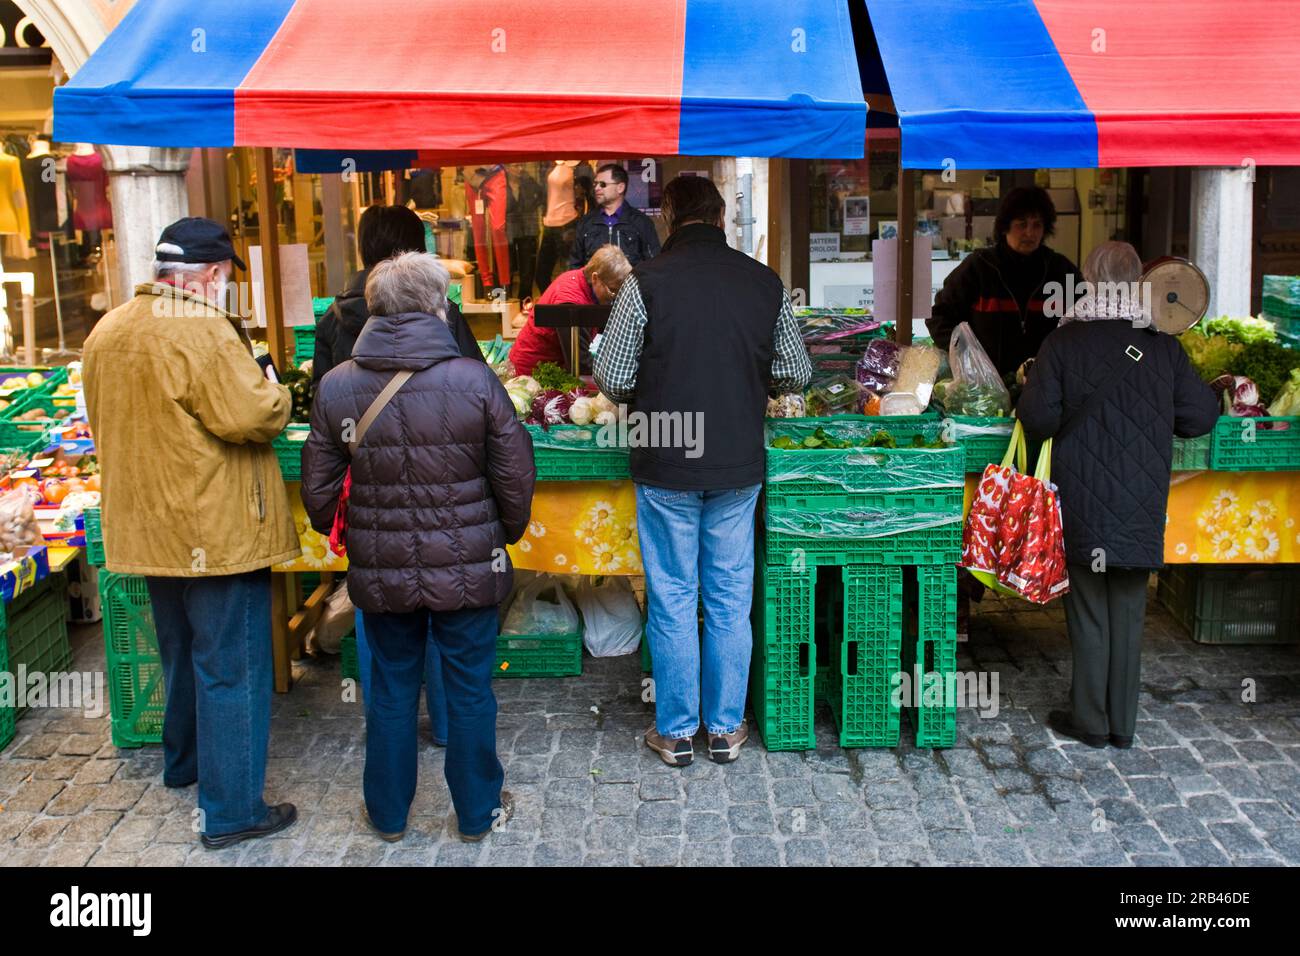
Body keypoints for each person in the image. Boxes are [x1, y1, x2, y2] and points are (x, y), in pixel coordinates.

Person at [82, 217, 301, 849]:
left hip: (147, 526)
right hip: (215, 530)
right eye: (227, 276)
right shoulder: (203, 329)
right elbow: (253, 417)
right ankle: (232, 811)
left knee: (179, 651)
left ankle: (184, 765)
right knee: (230, 666)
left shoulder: (108, 329)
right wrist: (272, 387)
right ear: (210, 275)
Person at [302, 252, 535, 841]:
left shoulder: (336, 386)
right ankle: (478, 812)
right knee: (469, 690)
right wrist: (499, 535)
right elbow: (514, 475)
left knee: (391, 689)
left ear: (374, 309)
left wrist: (359, 538)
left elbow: (318, 490)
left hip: (382, 573)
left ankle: (387, 813)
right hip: (468, 566)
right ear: (439, 307)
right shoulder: (473, 379)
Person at [594, 175, 812, 767]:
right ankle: (724, 729)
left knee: (671, 596)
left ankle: (676, 733)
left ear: (668, 219)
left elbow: (613, 379)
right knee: (727, 595)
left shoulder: (644, 284)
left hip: (665, 460)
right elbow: (796, 374)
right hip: (737, 462)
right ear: (721, 219)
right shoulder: (764, 283)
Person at [1017, 241, 1218, 750]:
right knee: (1129, 609)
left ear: (1087, 278)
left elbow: (1037, 418)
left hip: (1082, 494)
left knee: (1087, 607)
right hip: (1141, 500)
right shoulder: (1163, 345)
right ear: (1139, 282)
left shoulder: (1063, 343)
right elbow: (1199, 418)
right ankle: (1121, 724)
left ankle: (1089, 718)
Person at [314, 203, 486, 746]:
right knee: (443, 606)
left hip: (370, 501)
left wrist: (333, 518)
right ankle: (448, 728)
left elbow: (322, 423)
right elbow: (484, 400)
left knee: (381, 616)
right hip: (447, 496)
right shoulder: (444, 316)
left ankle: (388, 746)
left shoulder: (335, 319)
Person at [312, 204, 481, 383]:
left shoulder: (333, 319)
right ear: (417, 250)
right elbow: (478, 384)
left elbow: (321, 397)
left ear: (363, 249)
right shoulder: (442, 312)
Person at [928, 186, 1082, 378]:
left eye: (1037, 225)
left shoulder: (1060, 270)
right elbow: (940, 316)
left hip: (1046, 384)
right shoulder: (979, 268)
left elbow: (1084, 324)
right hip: (986, 388)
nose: (1030, 233)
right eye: (1021, 224)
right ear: (1005, 227)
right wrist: (965, 357)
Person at [509, 245, 632, 377]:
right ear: (595, 278)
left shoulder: (583, 279)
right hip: (531, 372)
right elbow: (580, 362)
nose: (615, 297)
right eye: (613, 290)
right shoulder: (570, 302)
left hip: (553, 368)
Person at [568, 163, 661, 270]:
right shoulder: (586, 222)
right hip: (593, 286)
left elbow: (653, 265)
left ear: (620, 187)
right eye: (595, 184)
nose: (597, 188)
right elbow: (575, 266)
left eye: (603, 184)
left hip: (630, 286)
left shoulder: (641, 222)